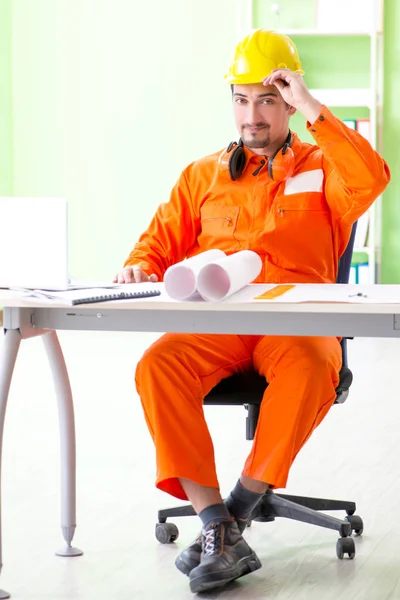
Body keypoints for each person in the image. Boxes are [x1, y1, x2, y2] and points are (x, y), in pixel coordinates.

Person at [114, 29, 390, 594]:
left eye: (267, 98)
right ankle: (216, 520)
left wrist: (313, 106)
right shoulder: (202, 175)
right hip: (219, 325)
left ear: (289, 100)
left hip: (298, 325)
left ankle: (233, 513)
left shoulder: (325, 168)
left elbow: (372, 176)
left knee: (315, 367)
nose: (252, 114)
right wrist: (139, 265)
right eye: (241, 99)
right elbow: (155, 243)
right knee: (157, 364)